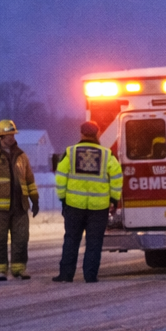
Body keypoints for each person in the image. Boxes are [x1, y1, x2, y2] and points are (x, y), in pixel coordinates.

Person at [54, 121, 122, 284]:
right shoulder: (106, 155)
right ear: (97, 134)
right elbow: (117, 177)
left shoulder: (70, 153)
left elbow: (61, 177)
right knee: (94, 242)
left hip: (74, 206)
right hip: (99, 207)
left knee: (71, 239)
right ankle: (90, 275)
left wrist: (63, 198)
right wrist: (113, 199)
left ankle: (66, 275)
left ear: (82, 134)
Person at [0, 119, 39, 280]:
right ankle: (1, 270)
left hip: (20, 206)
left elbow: (29, 179)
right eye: (8, 135)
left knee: (21, 238)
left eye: (12, 134)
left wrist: (35, 200)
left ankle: (19, 269)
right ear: (0, 138)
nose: (11, 138)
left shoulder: (21, 156)